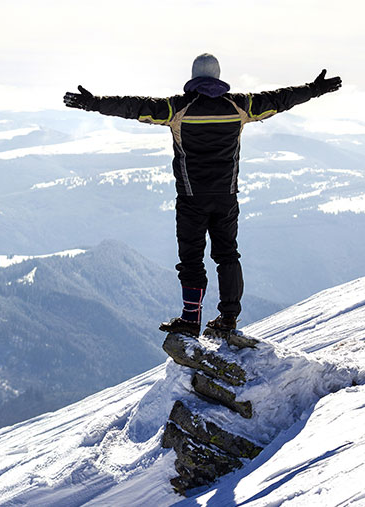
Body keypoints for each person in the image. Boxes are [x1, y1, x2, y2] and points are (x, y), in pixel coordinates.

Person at [64, 53, 341, 338]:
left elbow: (135, 107)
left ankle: (190, 319)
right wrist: (315, 89)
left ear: (193, 78)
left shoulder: (177, 108)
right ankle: (229, 318)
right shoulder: (240, 106)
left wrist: (93, 103)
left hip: (191, 198)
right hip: (226, 196)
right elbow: (280, 99)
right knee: (228, 255)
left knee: (191, 260)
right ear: (219, 77)